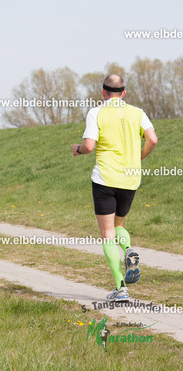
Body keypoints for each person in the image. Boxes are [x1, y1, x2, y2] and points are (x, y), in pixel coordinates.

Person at [72, 74, 157, 302]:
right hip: (130, 180)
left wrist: (77, 149)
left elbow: (89, 146)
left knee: (107, 234)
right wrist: (137, 159)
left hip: (105, 180)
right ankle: (129, 250)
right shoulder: (138, 112)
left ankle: (121, 288)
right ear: (124, 93)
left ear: (103, 92)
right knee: (119, 225)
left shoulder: (96, 112)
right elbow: (153, 139)